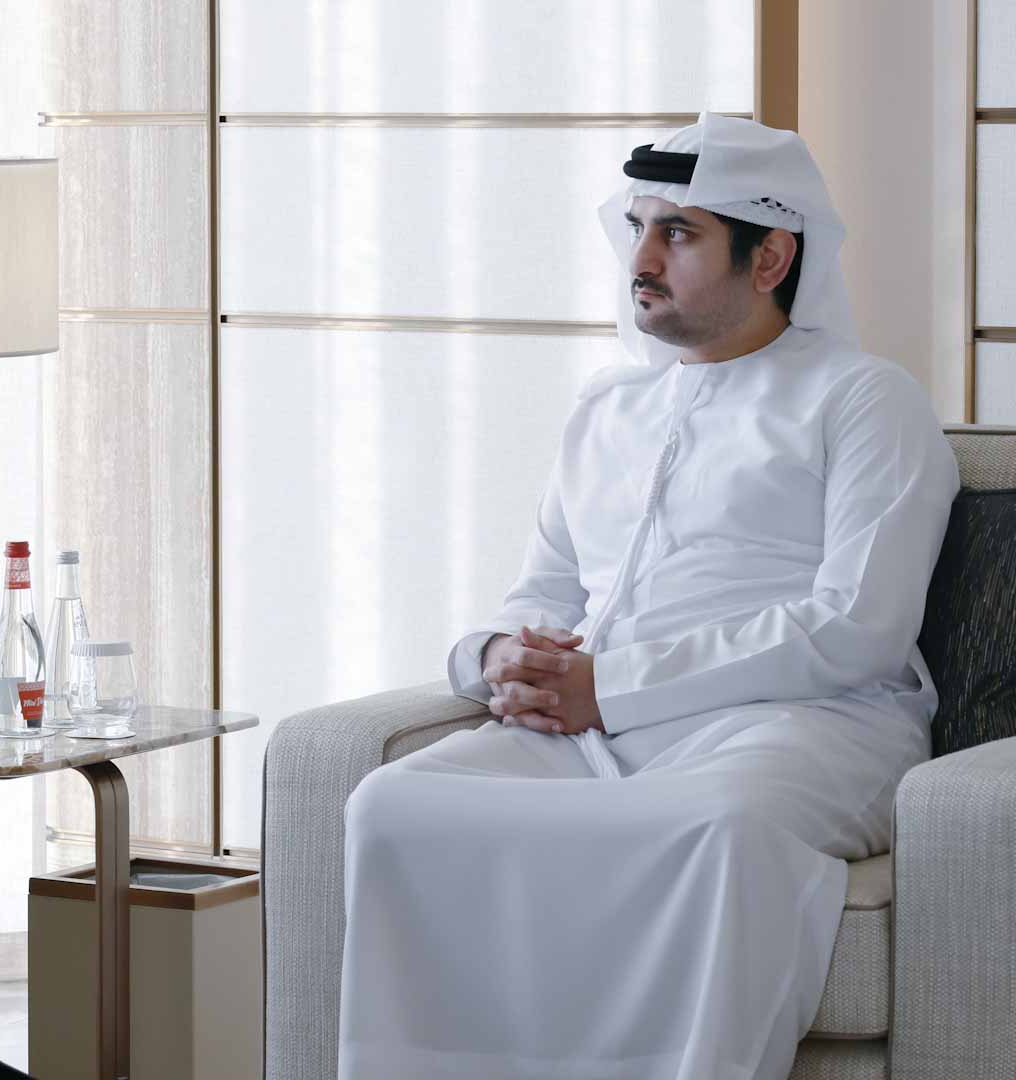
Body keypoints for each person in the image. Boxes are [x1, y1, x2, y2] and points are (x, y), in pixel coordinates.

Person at [336, 114, 958, 1079]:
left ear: (770, 257)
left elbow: (857, 627)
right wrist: (498, 657)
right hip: (595, 732)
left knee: (716, 826)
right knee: (395, 800)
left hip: (807, 724)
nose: (642, 260)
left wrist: (610, 686)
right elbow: (542, 591)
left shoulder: (864, 398)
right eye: (638, 228)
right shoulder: (607, 407)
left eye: (678, 233)